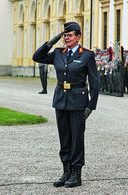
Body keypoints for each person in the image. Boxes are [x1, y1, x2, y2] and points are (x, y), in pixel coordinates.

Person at [33, 22, 100, 188]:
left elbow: (95, 82)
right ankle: (66, 170)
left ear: (78, 37)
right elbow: (37, 57)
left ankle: (76, 173)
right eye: (64, 35)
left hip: (78, 101)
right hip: (61, 100)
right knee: (64, 137)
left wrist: (91, 106)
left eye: (70, 35)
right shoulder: (58, 53)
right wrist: (52, 41)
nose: (66, 38)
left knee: (77, 137)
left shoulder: (87, 55)